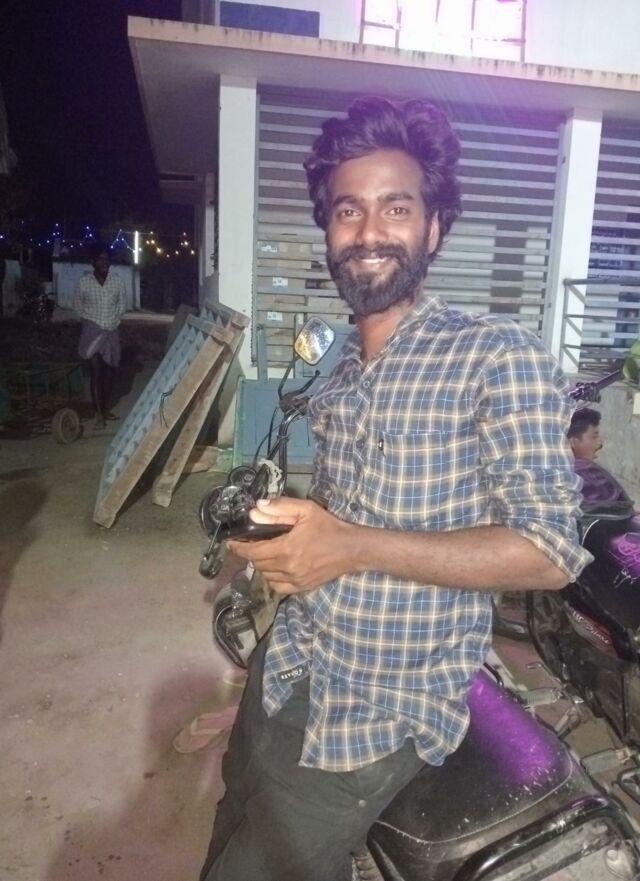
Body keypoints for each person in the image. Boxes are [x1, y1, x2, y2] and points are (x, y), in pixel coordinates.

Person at [198, 96, 592, 881]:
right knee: (232, 812)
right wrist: (284, 543)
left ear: (434, 228)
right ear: (329, 231)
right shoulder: (341, 368)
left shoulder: (493, 354)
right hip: (289, 663)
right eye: (349, 210)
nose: (369, 230)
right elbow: (342, 520)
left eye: (397, 207)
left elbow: (550, 550)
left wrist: (349, 547)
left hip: (376, 712)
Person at [73, 244, 125, 429]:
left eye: (107, 259)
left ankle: (105, 408)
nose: (105, 262)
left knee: (110, 372)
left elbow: (122, 306)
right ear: (93, 262)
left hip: (111, 331)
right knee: (96, 371)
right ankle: (99, 415)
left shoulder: (117, 281)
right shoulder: (84, 282)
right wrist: (91, 323)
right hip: (92, 332)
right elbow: (77, 306)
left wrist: (111, 322)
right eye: (101, 259)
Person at [568, 406, 632, 509]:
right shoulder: (584, 470)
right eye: (594, 436)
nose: (600, 443)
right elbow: (615, 512)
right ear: (573, 442)